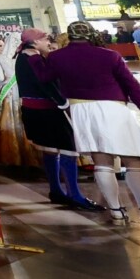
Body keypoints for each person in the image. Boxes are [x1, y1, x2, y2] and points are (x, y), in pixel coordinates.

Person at [29, 20, 140, 228]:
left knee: (102, 161)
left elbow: (44, 76)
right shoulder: (109, 55)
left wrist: (34, 58)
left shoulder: (57, 57)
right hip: (113, 107)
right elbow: (131, 84)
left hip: (81, 111)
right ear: (91, 34)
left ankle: (116, 211)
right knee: (133, 162)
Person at [14, 29, 102, 210]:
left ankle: (56, 191)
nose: (48, 42)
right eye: (45, 39)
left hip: (33, 111)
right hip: (47, 111)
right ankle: (74, 195)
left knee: (50, 150)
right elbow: (46, 83)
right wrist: (63, 103)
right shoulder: (34, 58)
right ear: (35, 41)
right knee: (68, 149)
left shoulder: (23, 56)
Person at [0, 34, 43, 169]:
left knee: (9, 121)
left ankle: (12, 155)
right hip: (24, 92)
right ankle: (33, 155)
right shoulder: (25, 57)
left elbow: (0, 78)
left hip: (9, 93)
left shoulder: (1, 58)